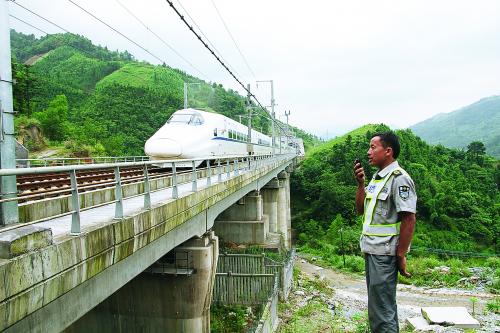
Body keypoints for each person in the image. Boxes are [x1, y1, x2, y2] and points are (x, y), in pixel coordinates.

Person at [353, 132, 417, 333]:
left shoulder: (400, 179)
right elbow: (360, 210)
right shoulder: (376, 178)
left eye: (373, 147)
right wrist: (361, 184)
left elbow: (409, 218)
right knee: (377, 308)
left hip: (384, 254)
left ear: (388, 151)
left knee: (382, 310)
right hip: (371, 250)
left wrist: (401, 254)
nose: (368, 152)